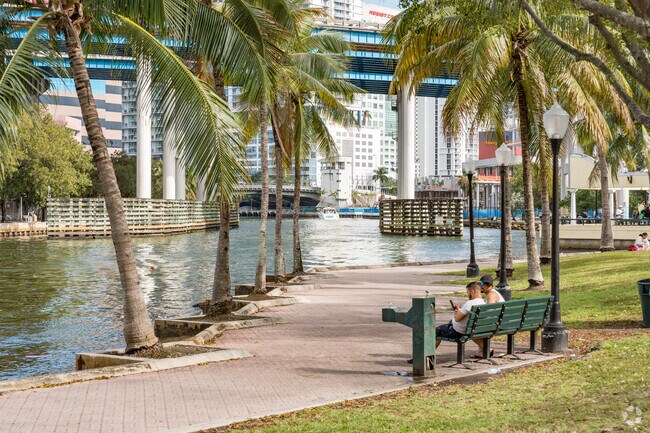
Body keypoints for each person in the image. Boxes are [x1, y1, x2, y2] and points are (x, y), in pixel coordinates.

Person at [436, 282, 485, 353]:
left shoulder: (470, 303)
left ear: (472, 292)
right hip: (472, 330)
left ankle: (427, 356)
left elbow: (457, 319)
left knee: (435, 332)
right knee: (446, 325)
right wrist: (459, 311)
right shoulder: (483, 303)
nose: (468, 294)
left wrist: (457, 312)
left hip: (459, 332)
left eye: (467, 292)